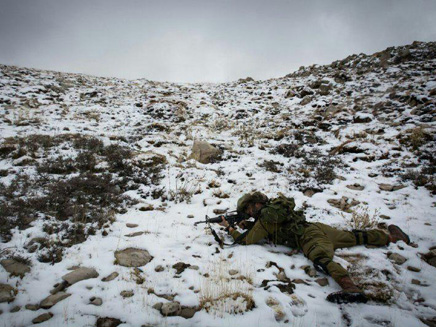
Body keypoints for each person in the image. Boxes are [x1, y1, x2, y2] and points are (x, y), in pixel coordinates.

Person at [219, 191, 411, 304]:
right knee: (353, 236)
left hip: (308, 237)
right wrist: (248, 225)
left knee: (320, 258)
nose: (249, 213)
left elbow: (246, 241)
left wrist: (229, 229)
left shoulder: (266, 218)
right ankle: (392, 237)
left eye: (249, 209)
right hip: (316, 227)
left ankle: (350, 287)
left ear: (257, 204)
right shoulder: (274, 211)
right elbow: (269, 229)